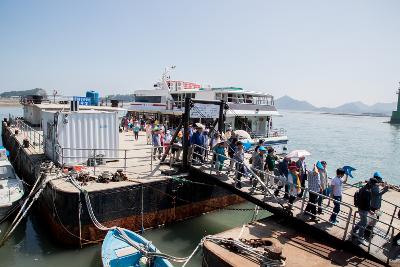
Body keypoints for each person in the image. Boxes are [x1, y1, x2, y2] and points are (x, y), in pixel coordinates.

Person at [365, 172, 389, 239]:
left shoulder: (376, 185)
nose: (381, 180)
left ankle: (370, 230)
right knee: (372, 220)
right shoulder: (373, 186)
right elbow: (378, 194)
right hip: (373, 206)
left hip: (378, 206)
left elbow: (379, 191)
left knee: (377, 218)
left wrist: (384, 186)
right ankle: (367, 232)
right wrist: (386, 189)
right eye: (380, 179)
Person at [352, 178, 374, 244]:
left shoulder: (364, 187)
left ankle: (354, 230)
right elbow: (366, 203)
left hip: (360, 207)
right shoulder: (367, 191)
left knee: (362, 221)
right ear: (372, 184)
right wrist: (369, 210)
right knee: (364, 223)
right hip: (363, 209)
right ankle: (360, 237)